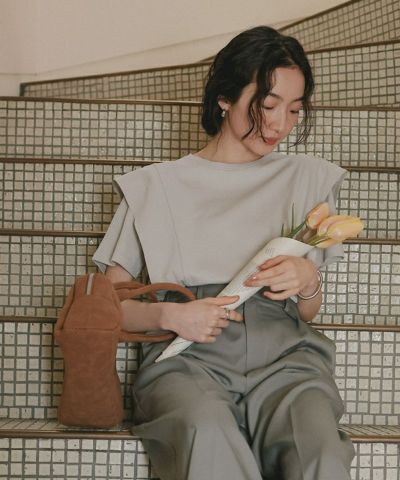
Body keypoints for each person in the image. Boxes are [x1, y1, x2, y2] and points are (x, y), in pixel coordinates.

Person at [93, 25, 355, 480]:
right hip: (189, 361)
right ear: (225, 98)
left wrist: (308, 279)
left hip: (287, 362)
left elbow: (306, 312)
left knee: (321, 455)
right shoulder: (156, 187)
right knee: (207, 433)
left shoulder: (308, 180)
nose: (281, 124)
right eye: (268, 105)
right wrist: (170, 316)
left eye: (295, 109)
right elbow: (106, 309)